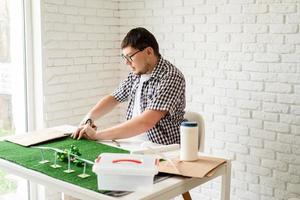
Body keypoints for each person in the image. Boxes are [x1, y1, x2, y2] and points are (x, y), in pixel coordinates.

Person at [72, 27, 186, 145]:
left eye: (130, 56)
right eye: (125, 57)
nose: (127, 62)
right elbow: (114, 98)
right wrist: (88, 119)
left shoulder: (171, 76)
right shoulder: (137, 74)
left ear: (149, 52)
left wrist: (96, 135)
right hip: (134, 143)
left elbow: (146, 122)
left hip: (163, 149)